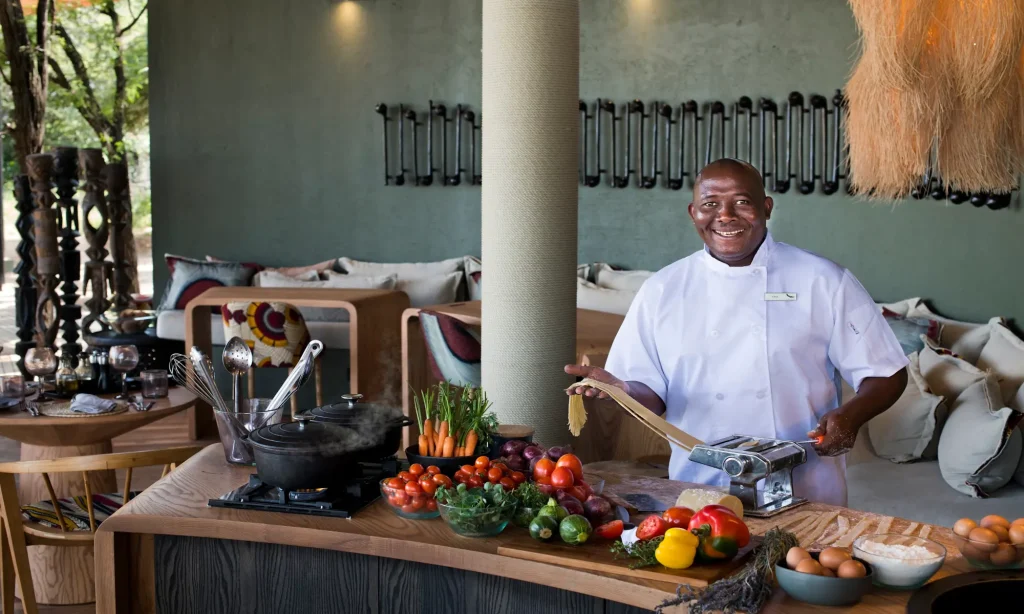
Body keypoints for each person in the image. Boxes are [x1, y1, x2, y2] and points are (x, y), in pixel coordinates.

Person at [565, 159, 908, 507]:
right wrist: (621, 391)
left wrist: (850, 417)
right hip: (700, 488)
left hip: (806, 486)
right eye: (710, 204)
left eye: (742, 202)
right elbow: (651, 393)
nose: (725, 215)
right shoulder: (662, 289)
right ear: (693, 212)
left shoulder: (823, 280)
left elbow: (887, 374)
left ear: (767, 208)